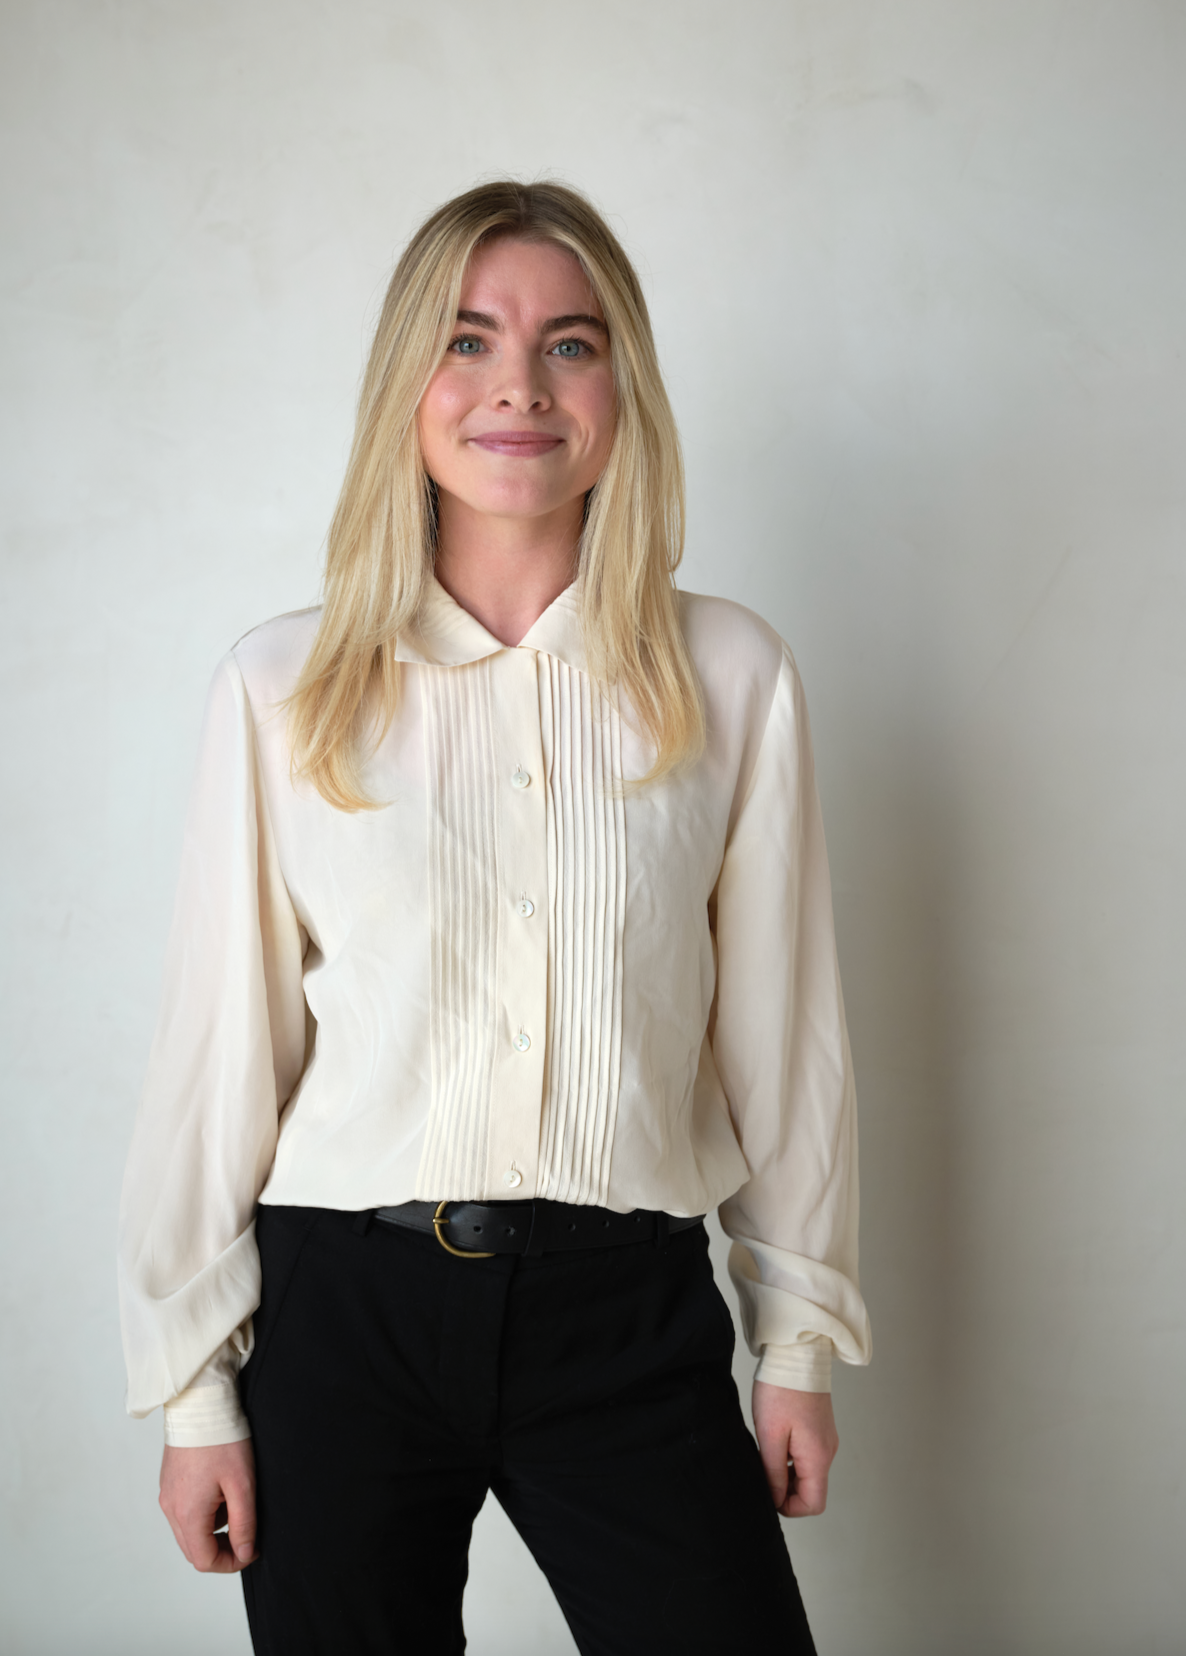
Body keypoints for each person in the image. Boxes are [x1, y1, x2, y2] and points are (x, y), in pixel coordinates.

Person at [118, 179, 871, 1656]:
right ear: (406, 385)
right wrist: (195, 1393)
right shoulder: (282, 691)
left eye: (568, 343)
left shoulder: (730, 676)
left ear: (621, 387)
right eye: (466, 341)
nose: (518, 383)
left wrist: (796, 1344)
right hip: (344, 1319)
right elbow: (219, 1058)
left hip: (628, 1315)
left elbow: (785, 1044)